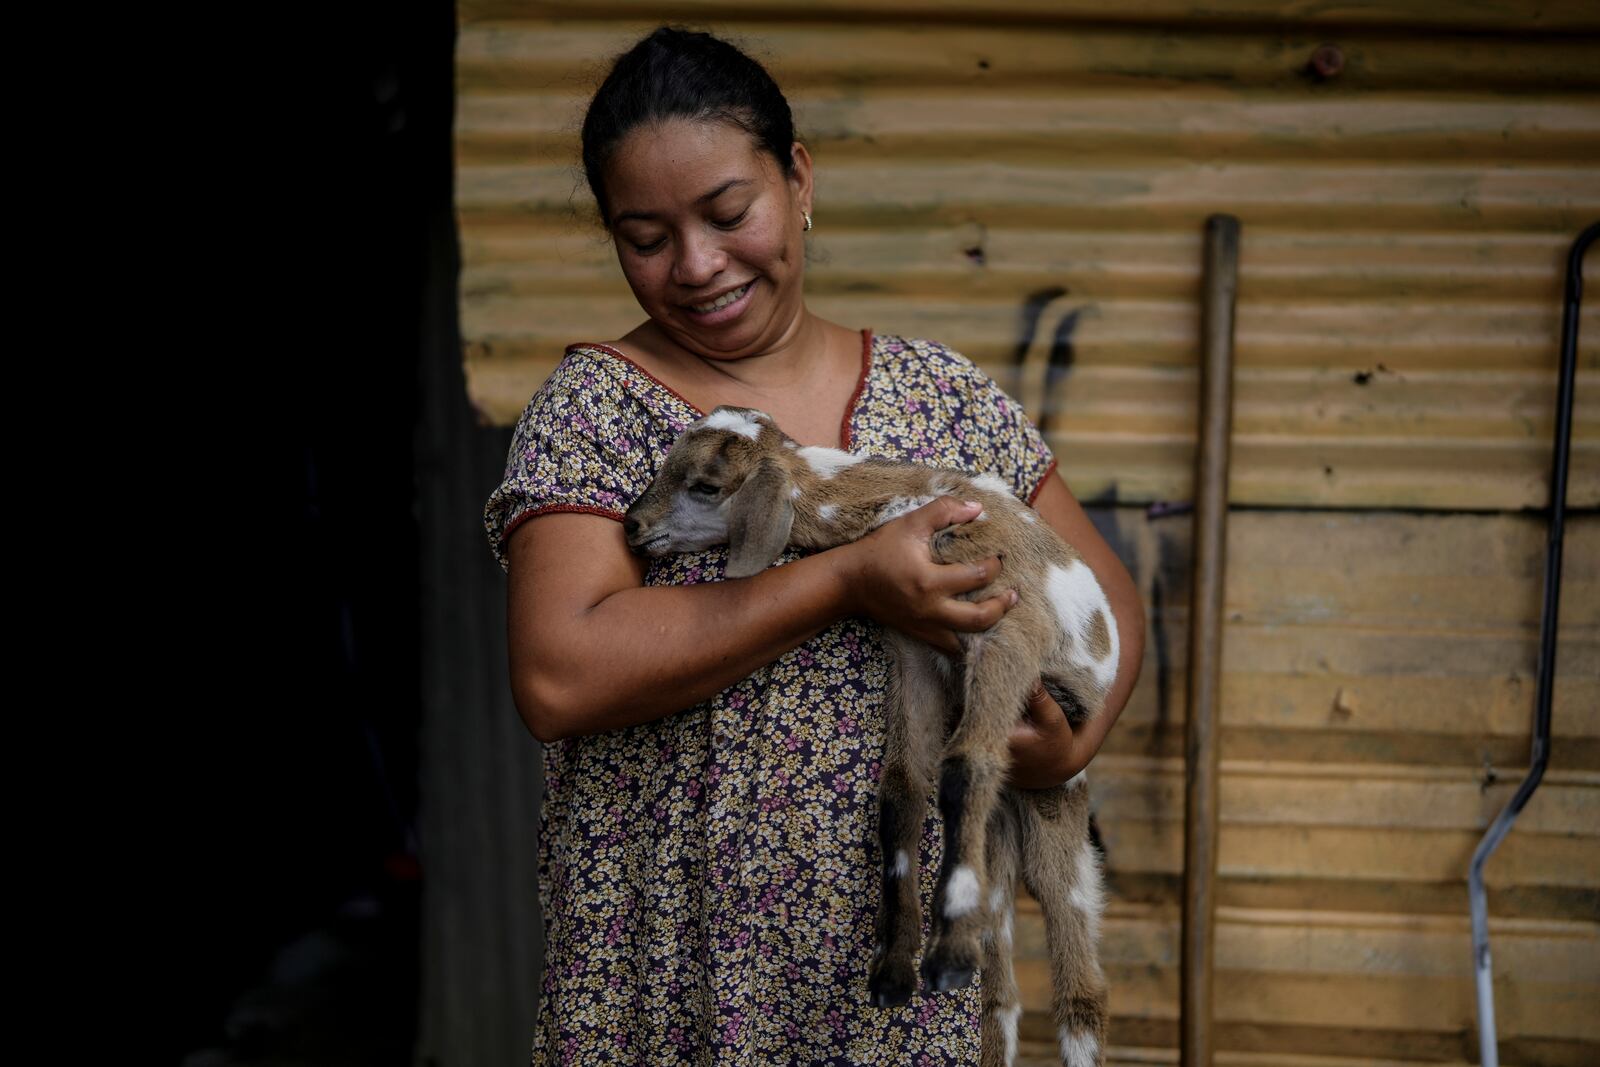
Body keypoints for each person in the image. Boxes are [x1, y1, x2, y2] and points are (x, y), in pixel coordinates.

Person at [482, 25, 1145, 1066]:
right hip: (680, 962)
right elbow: (561, 672)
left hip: (894, 974)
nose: (695, 265)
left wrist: (1076, 732)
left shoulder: (942, 396)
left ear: (796, 178)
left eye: (726, 212)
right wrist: (844, 581)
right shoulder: (598, 411)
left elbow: (1102, 595)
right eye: (644, 236)